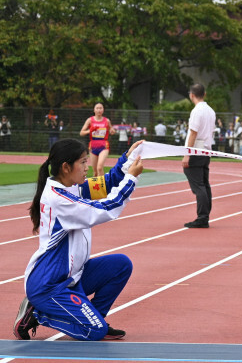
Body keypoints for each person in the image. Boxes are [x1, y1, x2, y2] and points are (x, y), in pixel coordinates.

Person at [13, 138, 144, 342]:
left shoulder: (73, 186)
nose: (87, 167)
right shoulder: (59, 199)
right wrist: (131, 179)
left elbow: (107, 184)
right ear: (66, 167)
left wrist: (127, 159)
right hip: (49, 284)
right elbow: (105, 209)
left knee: (121, 265)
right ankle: (37, 313)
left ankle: (95, 318)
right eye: (83, 162)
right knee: (95, 332)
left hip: (71, 276)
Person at [182, 84, 216, 229]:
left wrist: (187, 154)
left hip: (196, 150)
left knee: (199, 185)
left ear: (191, 95)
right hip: (206, 150)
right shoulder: (210, 111)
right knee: (204, 183)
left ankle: (202, 217)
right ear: (205, 94)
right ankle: (205, 214)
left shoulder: (197, 111)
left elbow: (193, 133)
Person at [79, 103, 115, 178]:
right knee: (95, 172)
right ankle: (96, 187)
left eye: (100, 108)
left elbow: (111, 129)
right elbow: (81, 133)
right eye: (97, 108)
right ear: (94, 110)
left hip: (104, 146)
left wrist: (112, 130)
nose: (99, 110)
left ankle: (103, 186)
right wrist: (90, 130)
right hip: (93, 146)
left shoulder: (106, 121)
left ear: (103, 110)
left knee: (99, 167)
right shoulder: (90, 120)